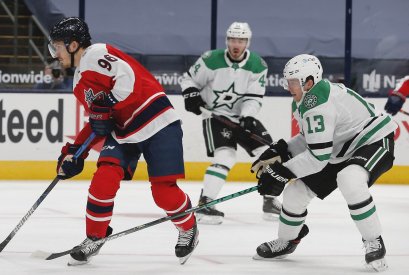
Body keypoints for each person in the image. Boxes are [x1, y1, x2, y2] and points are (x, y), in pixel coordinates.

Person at [48, 17, 198, 266]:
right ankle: (94, 237)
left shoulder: (97, 54)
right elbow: (97, 121)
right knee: (103, 179)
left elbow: (128, 81)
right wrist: (73, 152)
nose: (55, 54)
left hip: (158, 121)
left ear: (73, 45)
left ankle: (188, 227)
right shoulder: (78, 83)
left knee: (163, 193)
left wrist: (108, 107)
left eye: (57, 47)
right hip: (124, 133)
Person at [250, 54, 397, 272]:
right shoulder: (305, 99)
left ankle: (373, 240)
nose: (288, 86)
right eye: (287, 80)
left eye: (293, 81)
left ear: (308, 82)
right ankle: (287, 241)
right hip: (339, 149)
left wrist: (281, 172)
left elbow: (318, 158)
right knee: (295, 193)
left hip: (373, 140)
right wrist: (282, 150)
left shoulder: (317, 101)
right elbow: (313, 140)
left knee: (350, 179)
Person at [180, 22, 280, 224]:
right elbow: (188, 79)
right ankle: (205, 203)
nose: (237, 44)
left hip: (241, 118)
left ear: (247, 42)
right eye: (233, 39)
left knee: (270, 153)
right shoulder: (211, 60)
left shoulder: (258, 65)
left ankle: (269, 200)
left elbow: (254, 96)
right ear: (227, 41)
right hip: (215, 116)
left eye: (241, 40)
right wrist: (191, 95)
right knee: (225, 157)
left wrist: (248, 116)